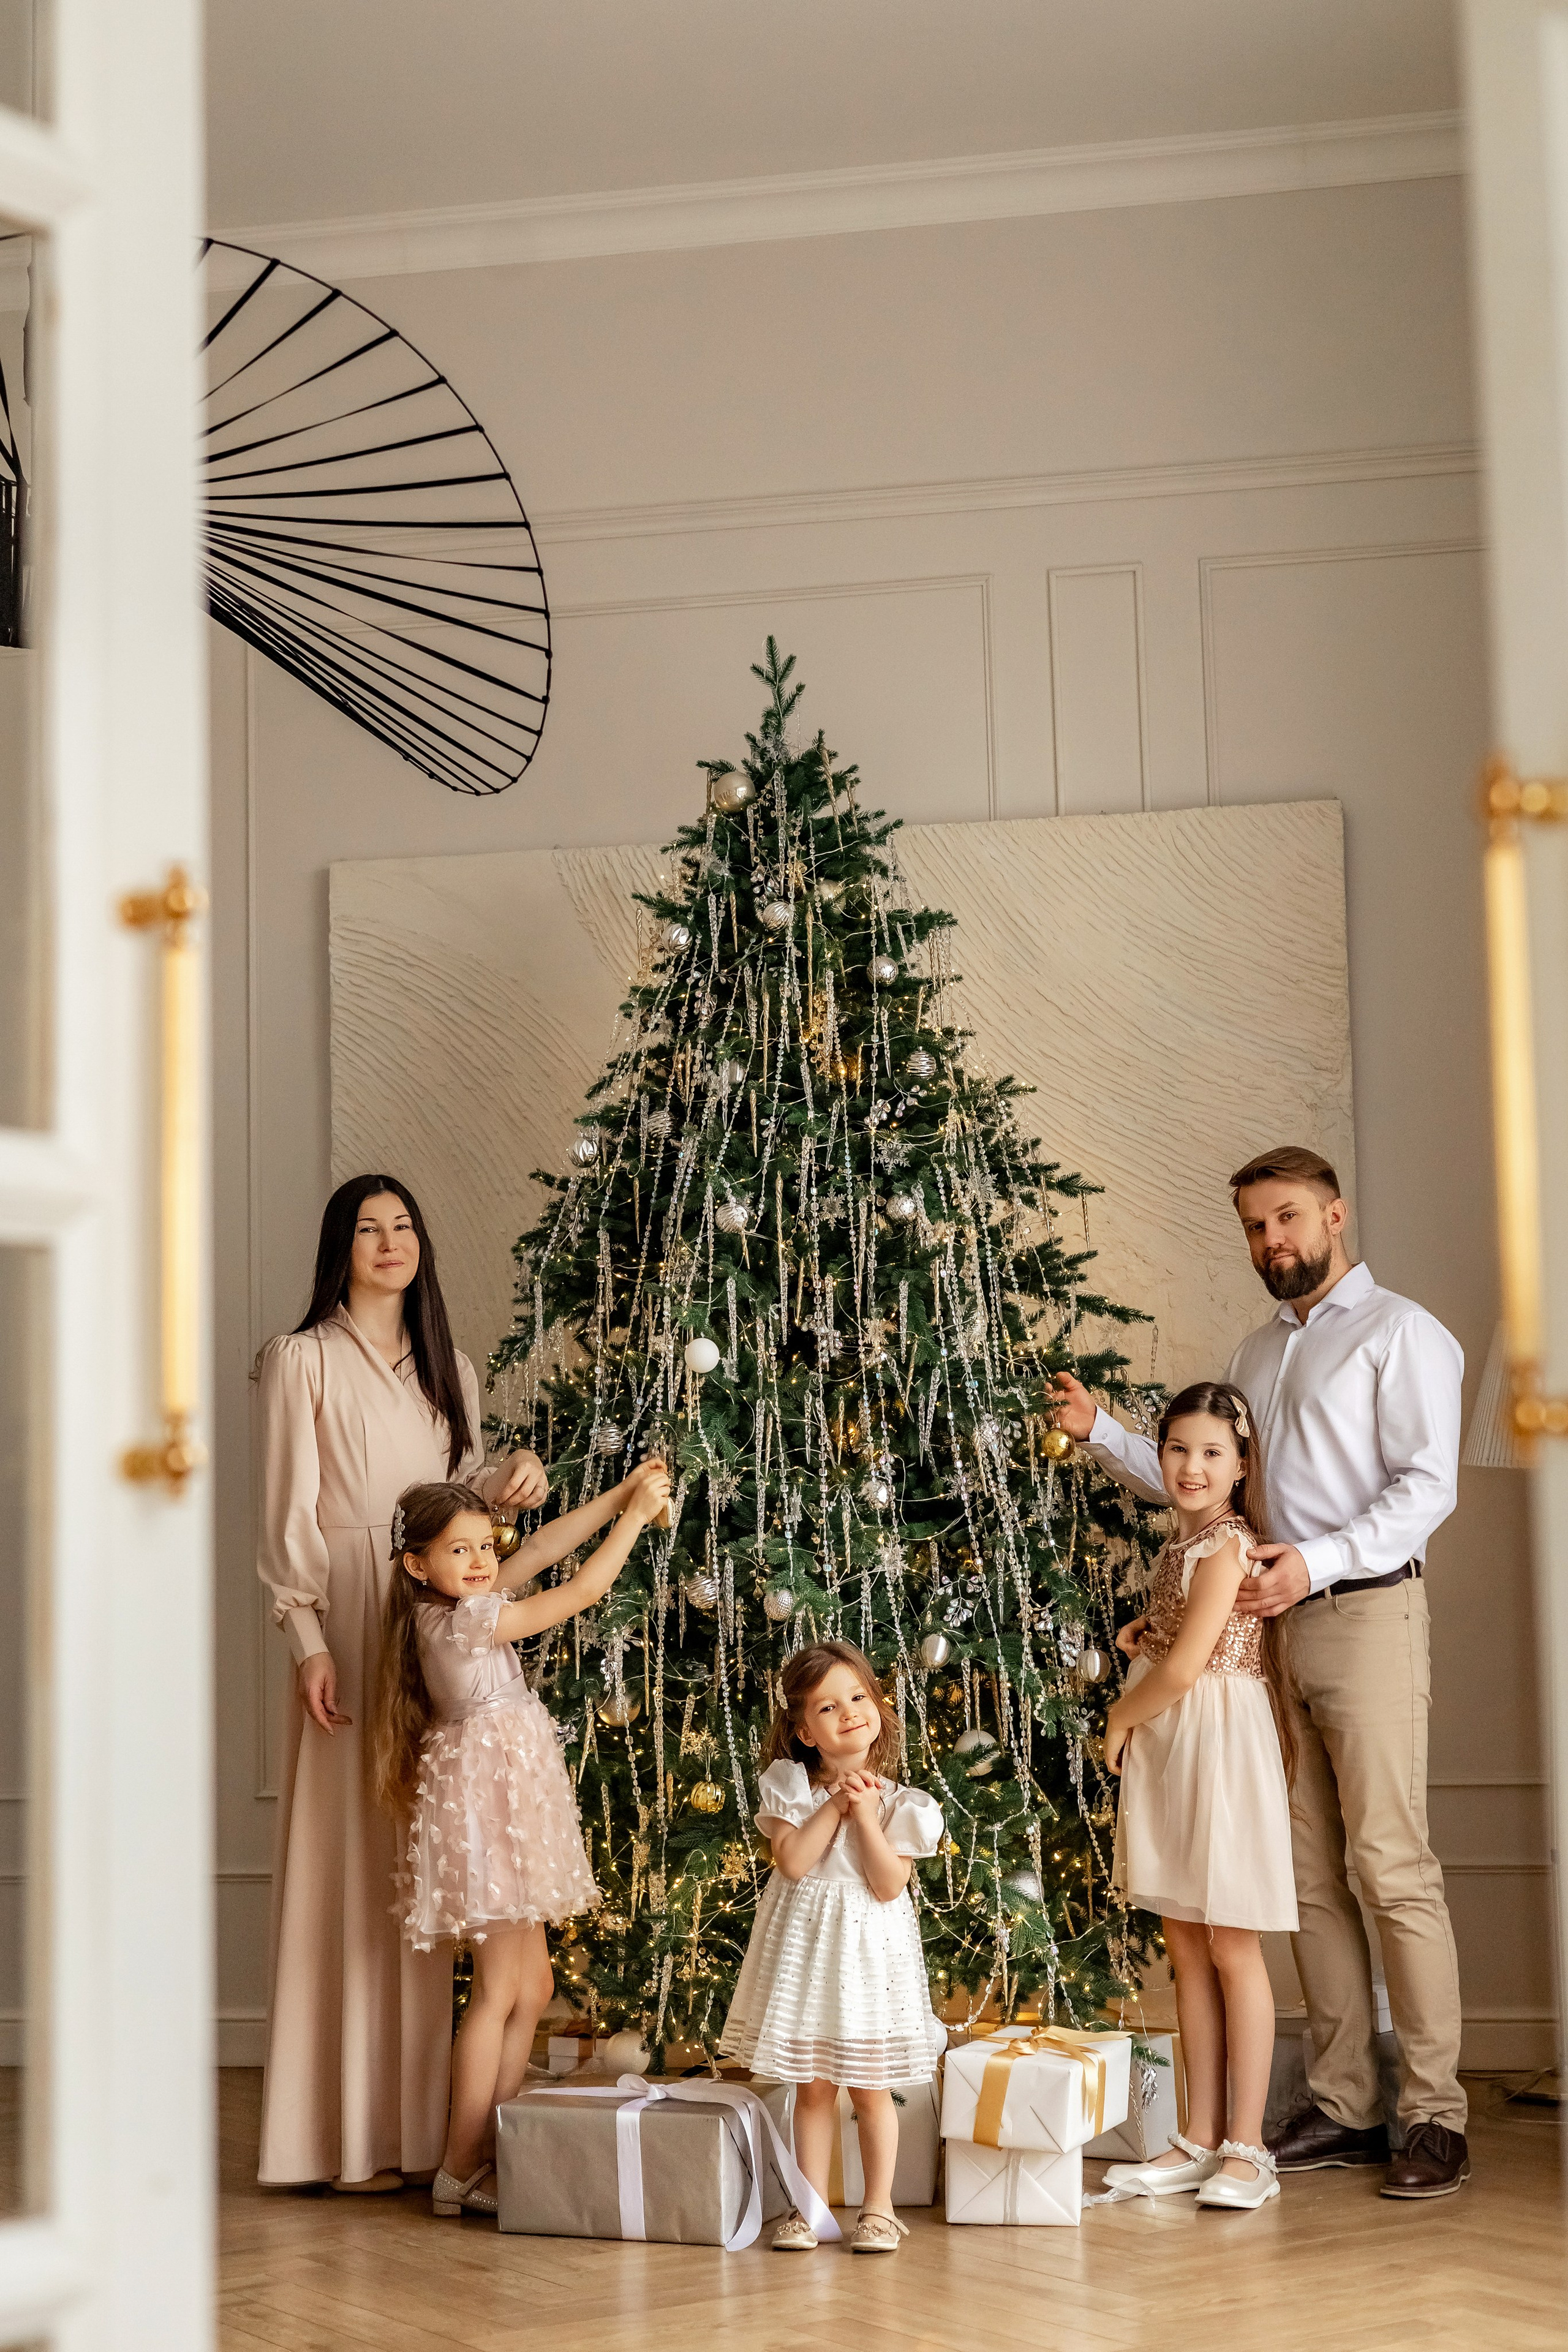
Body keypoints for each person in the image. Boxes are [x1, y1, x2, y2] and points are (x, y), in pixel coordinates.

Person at [1052, 1145, 1468, 2199]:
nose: (1271, 1240)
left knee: (1390, 1864)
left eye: (1286, 1217)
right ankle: (1346, 2103)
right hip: (1256, 1640)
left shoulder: (1403, 1333)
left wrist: (1314, 1564)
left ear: (1334, 1215)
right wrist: (1104, 1434)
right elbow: (1211, 1482)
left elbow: (1427, 1486)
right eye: (1254, 1226)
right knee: (1309, 1876)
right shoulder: (1256, 1351)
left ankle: (1434, 2115)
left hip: (1363, 1612)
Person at [255, 1172, 549, 2191]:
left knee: (419, 1868)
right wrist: (309, 1641)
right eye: (368, 1228)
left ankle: (424, 2141)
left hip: (431, 1630)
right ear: (340, 1249)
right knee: (343, 1854)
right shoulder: (300, 1360)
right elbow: (285, 1515)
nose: (390, 1242)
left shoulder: (449, 1368)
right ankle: (329, 2139)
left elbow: (457, 1510)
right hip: (347, 1611)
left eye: (404, 1225)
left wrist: (510, 1479)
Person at [371, 1461, 671, 2218]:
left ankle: (487, 2150)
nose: (481, 1561)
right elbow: (580, 1592)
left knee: (532, 1987)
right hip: (486, 1806)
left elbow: (536, 1551)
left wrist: (618, 1494)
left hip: (503, 1798)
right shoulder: (460, 1621)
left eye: (484, 1545)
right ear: (417, 1565)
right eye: (460, 1550)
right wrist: (635, 1520)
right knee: (500, 1991)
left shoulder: (460, 1602)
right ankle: (459, 2165)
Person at [1101, 1382, 1298, 2212]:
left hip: (1217, 1746)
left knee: (1231, 1944)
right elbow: (1178, 1640)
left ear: (1241, 1465)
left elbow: (1189, 1669)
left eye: (1213, 1452)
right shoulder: (1183, 1544)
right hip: (1177, 1744)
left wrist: (1119, 1715)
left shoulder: (1227, 1544)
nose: (1192, 1467)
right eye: (1178, 1449)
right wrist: (1143, 1635)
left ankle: (1249, 2147)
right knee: (1185, 1941)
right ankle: (1200, 2132)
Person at [718, 1641, 946, 2255]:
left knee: (871, 2089)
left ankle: (879, 2209)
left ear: (878, 1707)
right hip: (810, 1958)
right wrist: (837, 1804)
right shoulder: (790, 1787)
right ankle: (809, 2208)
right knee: (813, 2088)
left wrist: (865, 1815)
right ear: (804, 1732)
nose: (848, 1712)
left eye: (857, 1697)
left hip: (868, 1959)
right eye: (827, 1707)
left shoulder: (902, 1803)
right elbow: (793, 1862)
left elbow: (888, 1884)